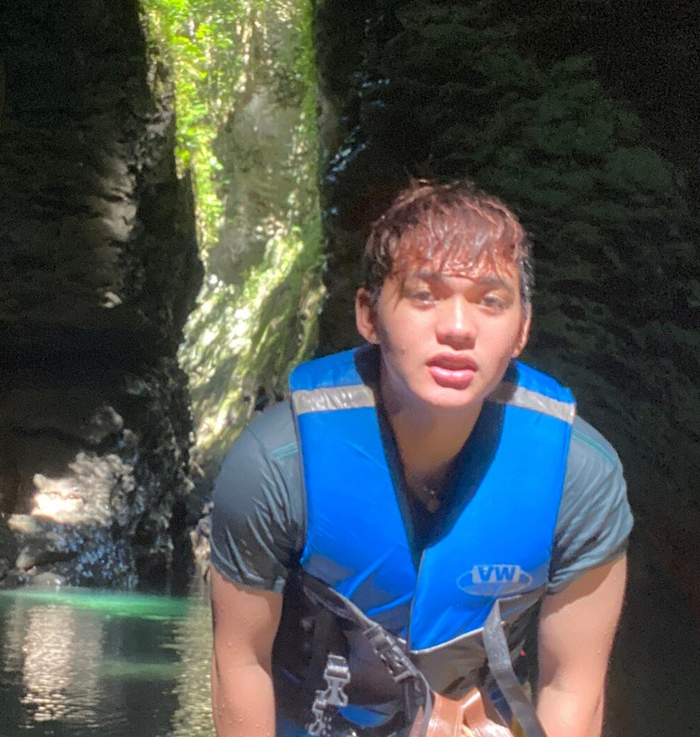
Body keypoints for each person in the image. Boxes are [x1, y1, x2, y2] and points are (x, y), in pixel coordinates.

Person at [209, 180, 631, 737]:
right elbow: (240, 663)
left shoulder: (580, 477)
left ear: (522, 328)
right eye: (424, 295)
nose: (457, 329)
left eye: (491, 300)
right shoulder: (276, 465)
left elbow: (571, 687)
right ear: (368, 314)